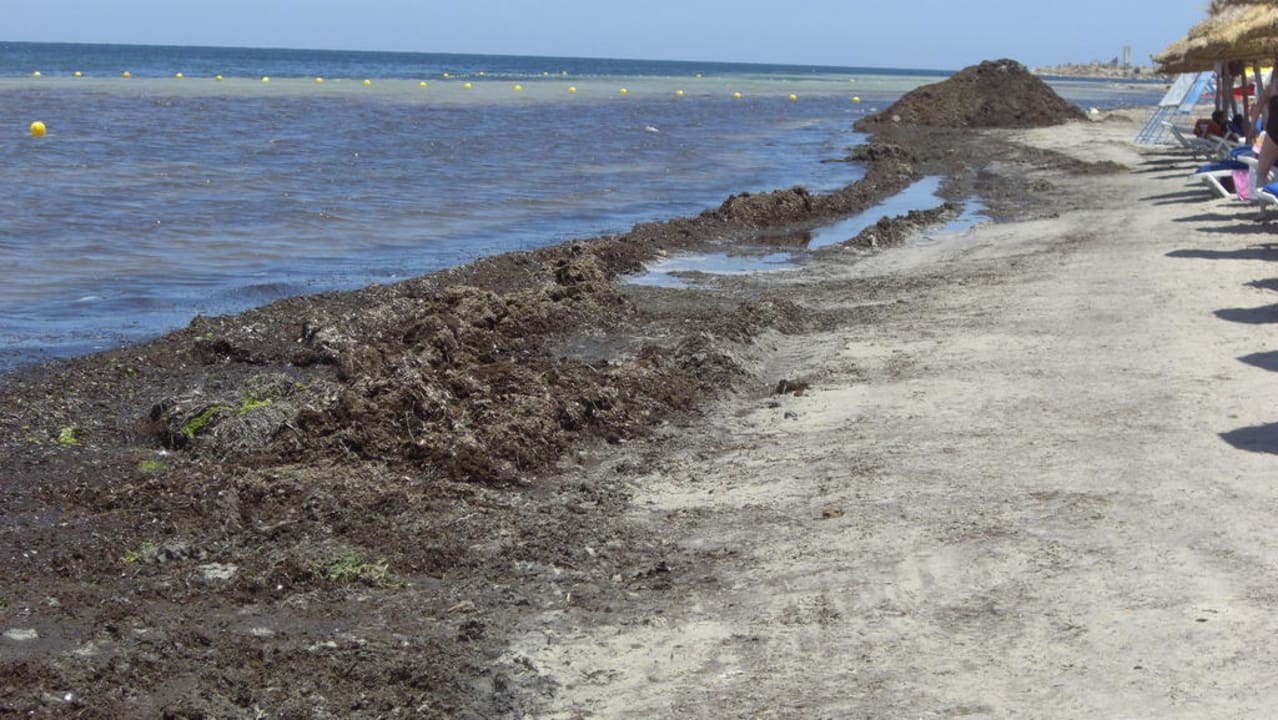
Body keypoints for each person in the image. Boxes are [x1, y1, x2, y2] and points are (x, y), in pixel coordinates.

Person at [1249, 64, 1278, 192]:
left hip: (1273, 131)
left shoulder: (1272, 87)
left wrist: (1252, 128)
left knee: (1261, 172)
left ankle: (1262, 210)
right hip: (1272, 131)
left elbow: (1257, 107)